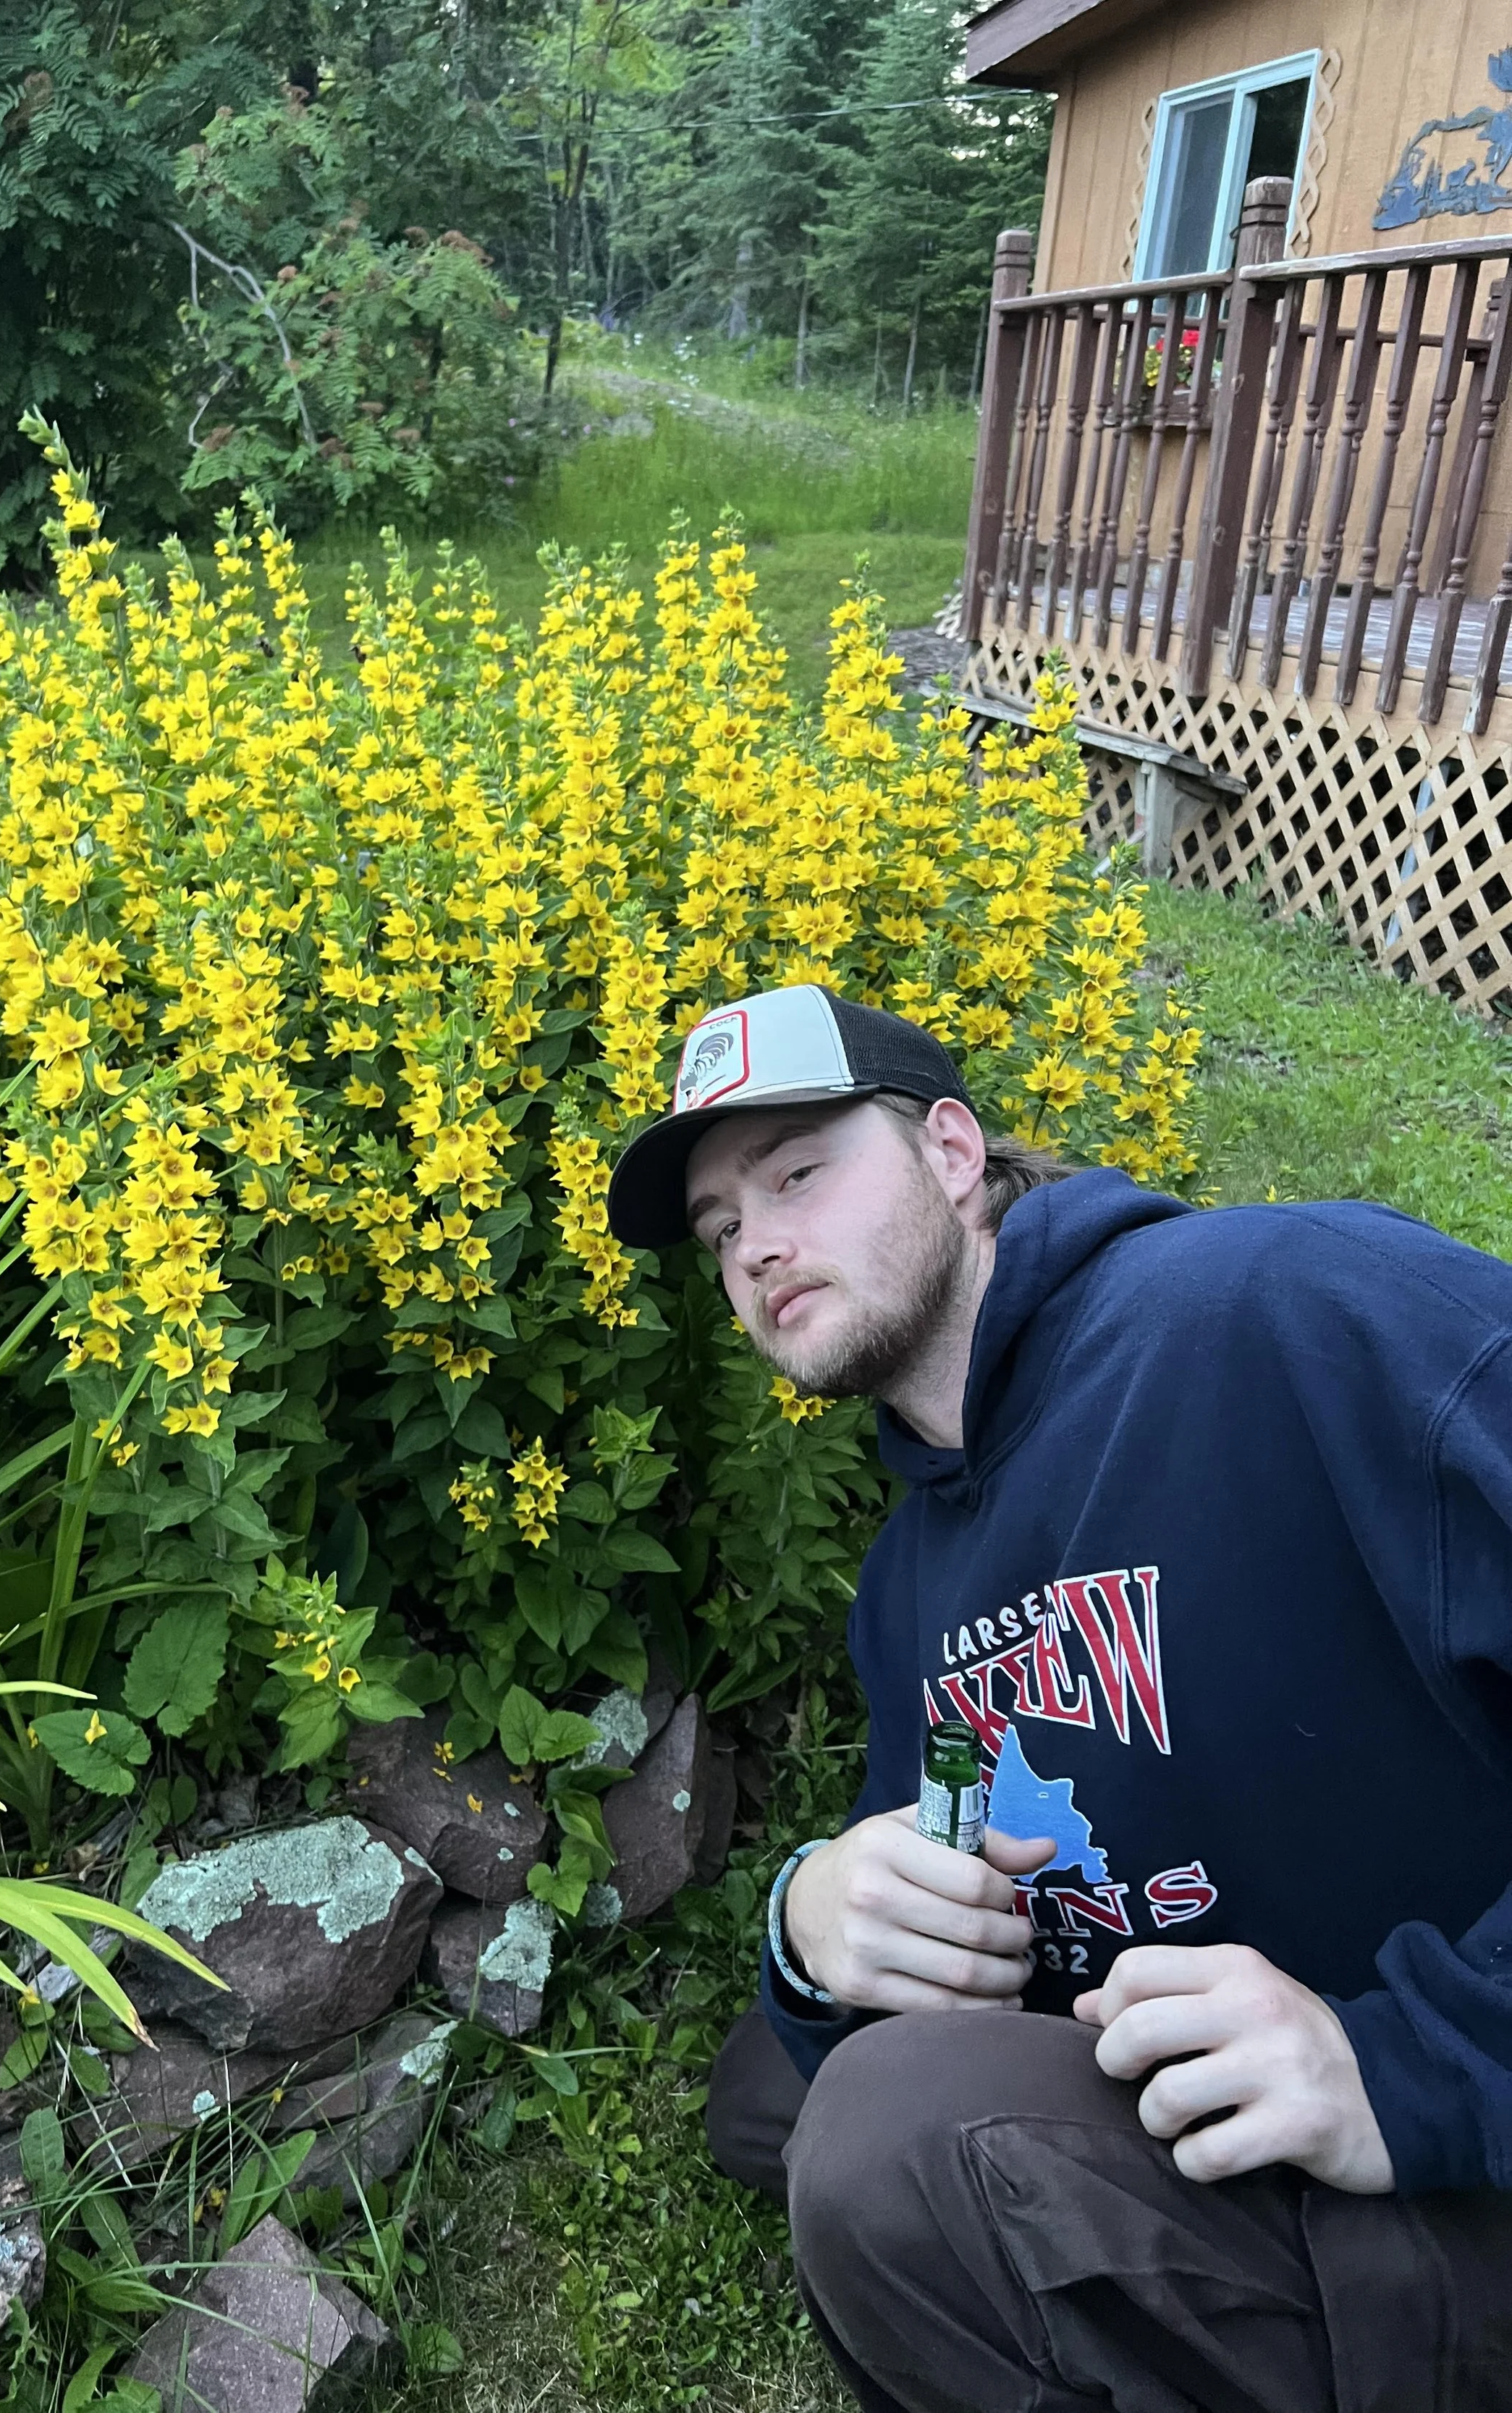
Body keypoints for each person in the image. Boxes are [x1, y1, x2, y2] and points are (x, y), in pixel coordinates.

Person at [603, 980, 1512, 2413]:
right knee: (771, 2082)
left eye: (796, 1173)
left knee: (875, 2145)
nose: (757, 1244)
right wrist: (821, 1915)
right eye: (722, 1230)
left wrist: (1406, 2062)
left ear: (951, 1153)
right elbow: (958, 1862)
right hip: (1197, 2084)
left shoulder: (1285, 1314)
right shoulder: (912, 1583)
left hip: (1455, 2150)